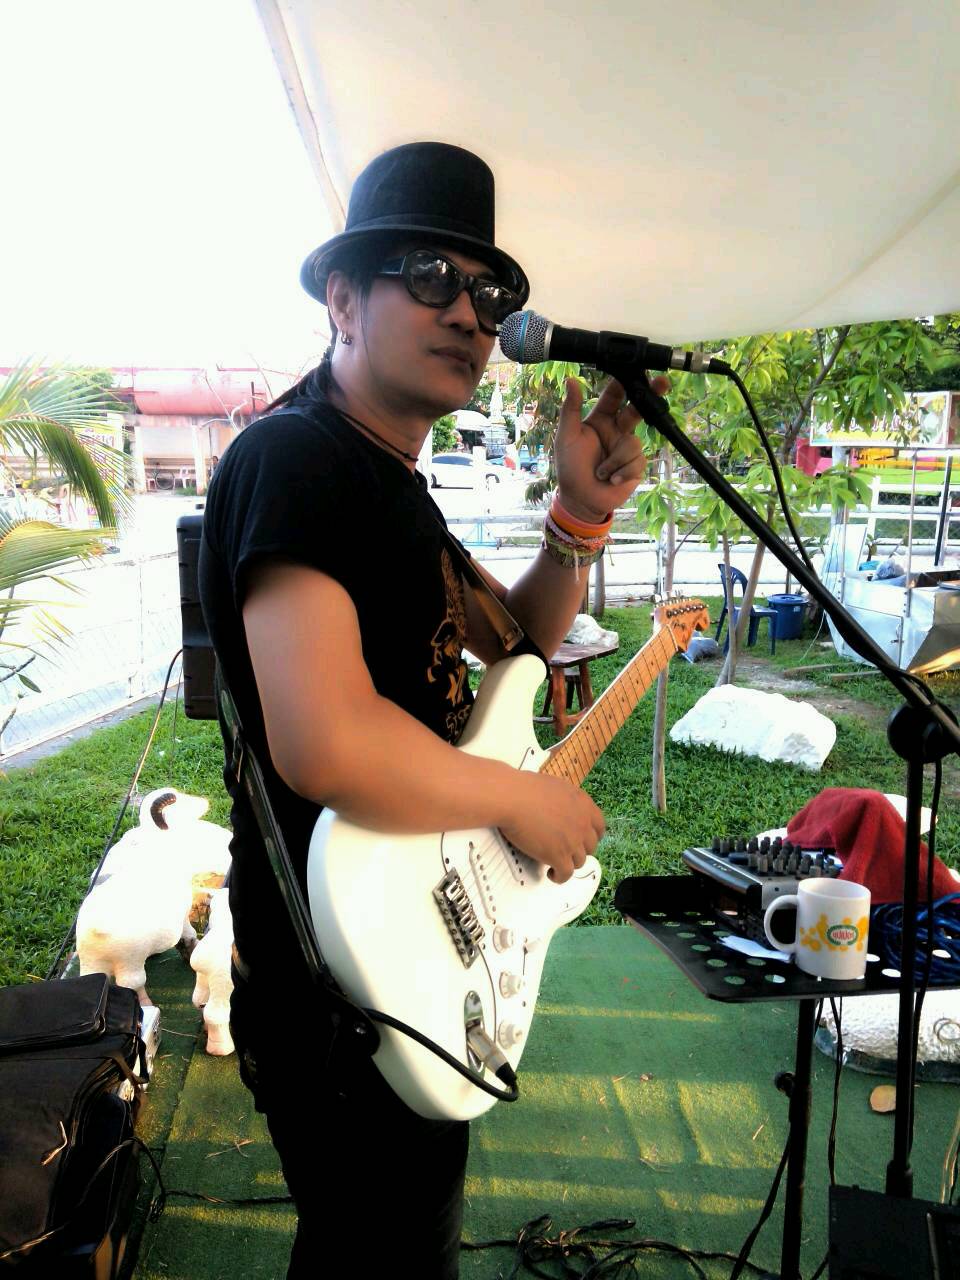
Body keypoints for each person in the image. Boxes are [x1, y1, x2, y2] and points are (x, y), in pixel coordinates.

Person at [198, 140, 663, 1278]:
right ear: (342, 297)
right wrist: (517, 799)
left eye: (490, 295)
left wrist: (579, 518)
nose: (468, 312)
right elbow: (327, 742)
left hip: (403, 935)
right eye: (429, 276)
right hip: (336, 969)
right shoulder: (297, 460)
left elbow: (515, 650)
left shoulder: (388, 480)